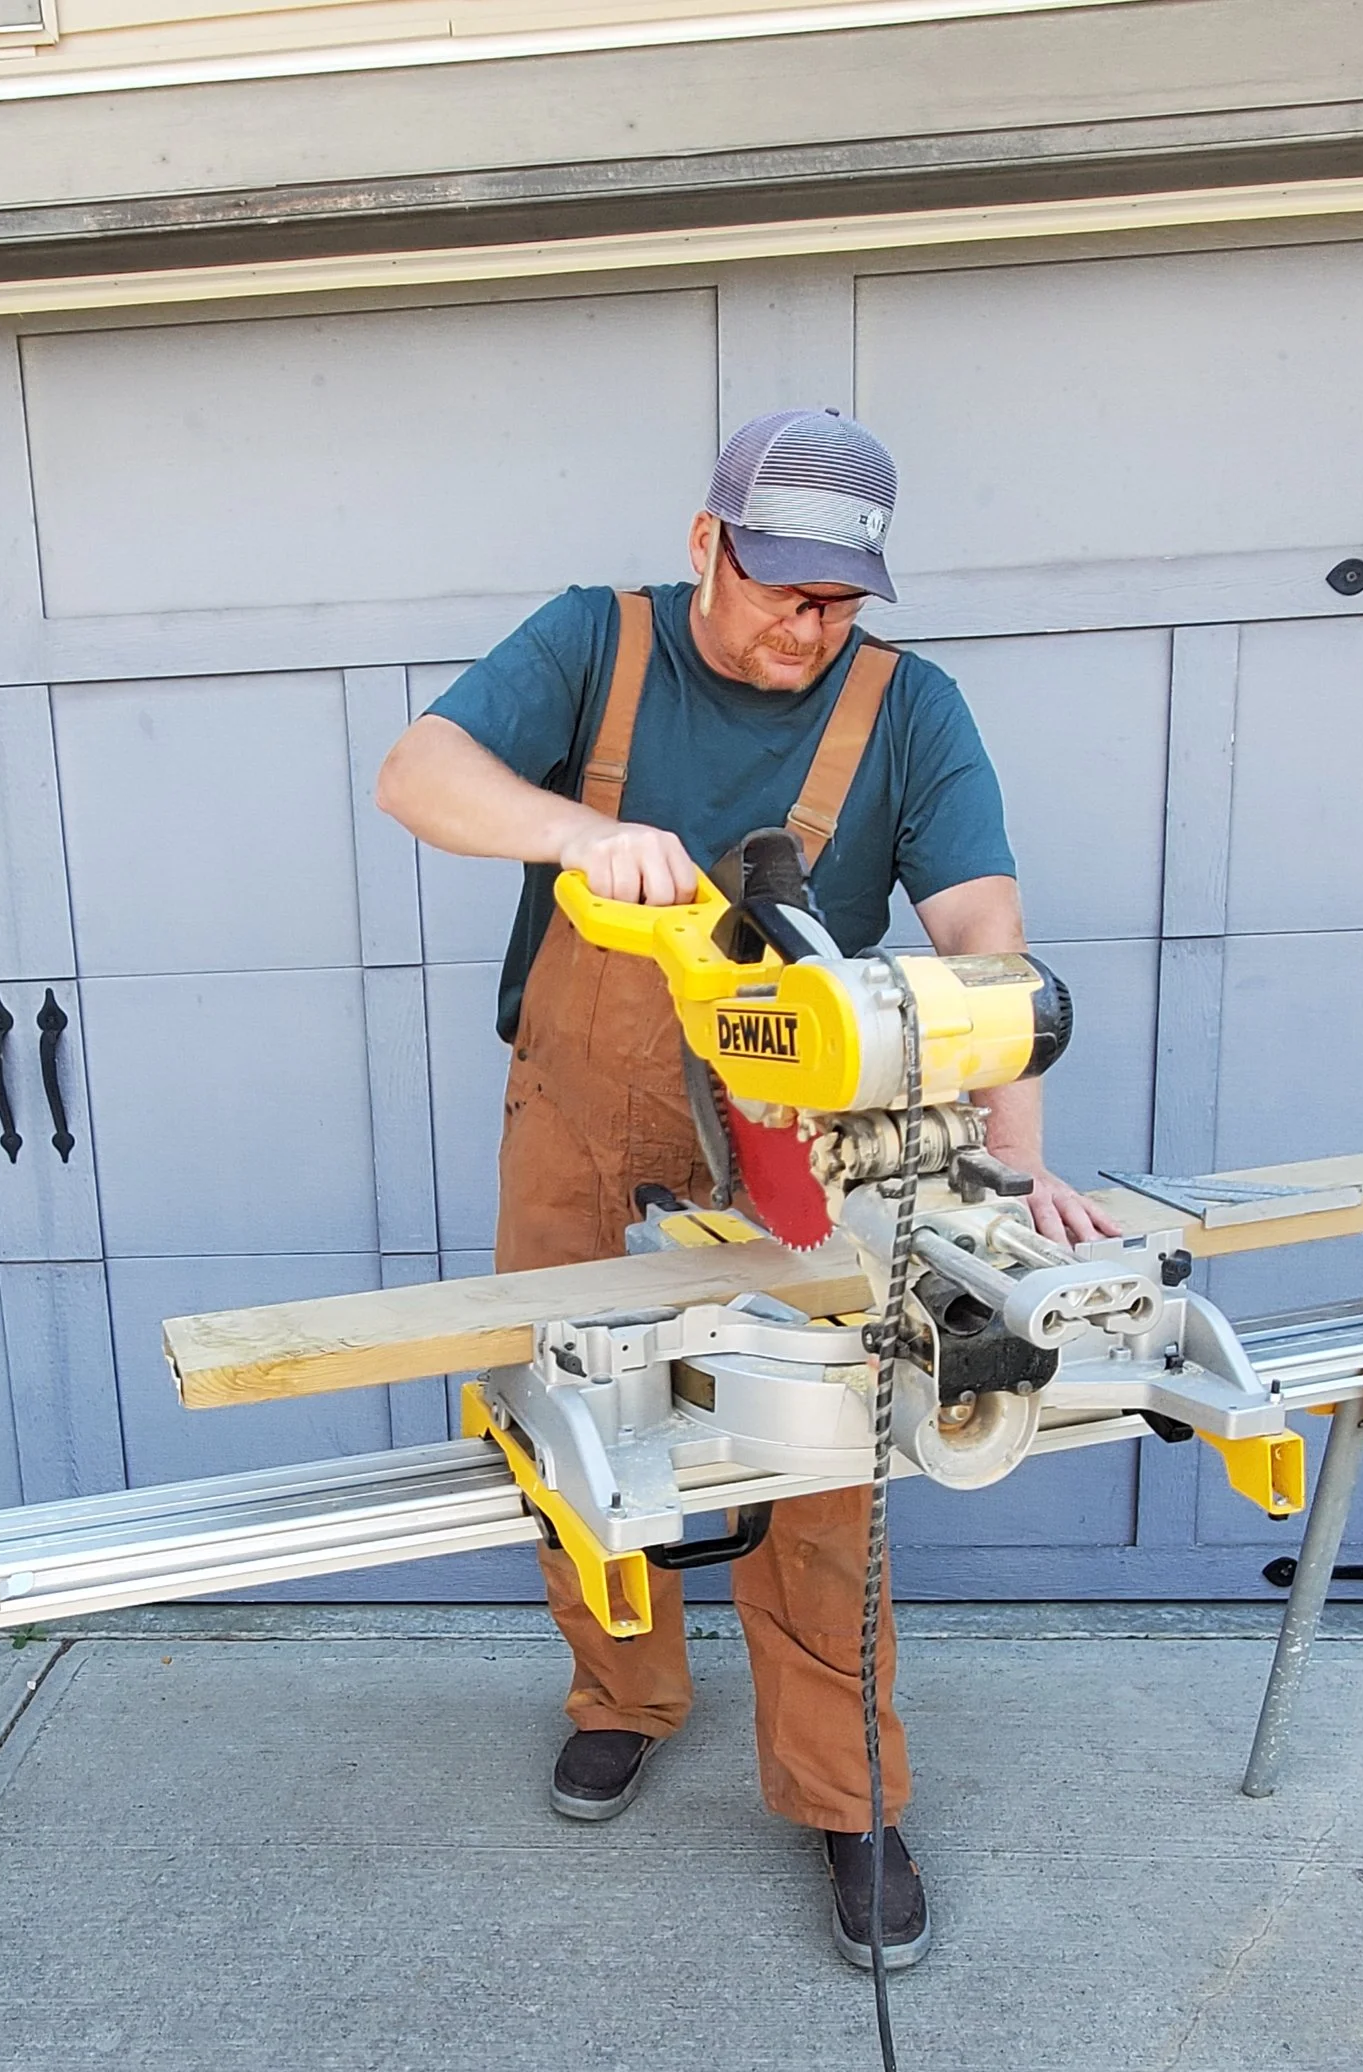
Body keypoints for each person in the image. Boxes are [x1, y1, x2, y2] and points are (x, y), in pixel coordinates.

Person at [376, 409, 1116, 1969]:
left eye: (840, 599)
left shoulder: (912, 711)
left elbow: (988, 941)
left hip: (793, 1131)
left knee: (818, 1440)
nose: (809, 625)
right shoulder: (600, 644)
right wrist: (584, 834)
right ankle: (624, 1695)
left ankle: (846, 1796)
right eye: (782, 587)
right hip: (579, 1101)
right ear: (708, 544)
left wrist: (1017, 1162)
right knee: (571, 1413)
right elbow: (418, 772)